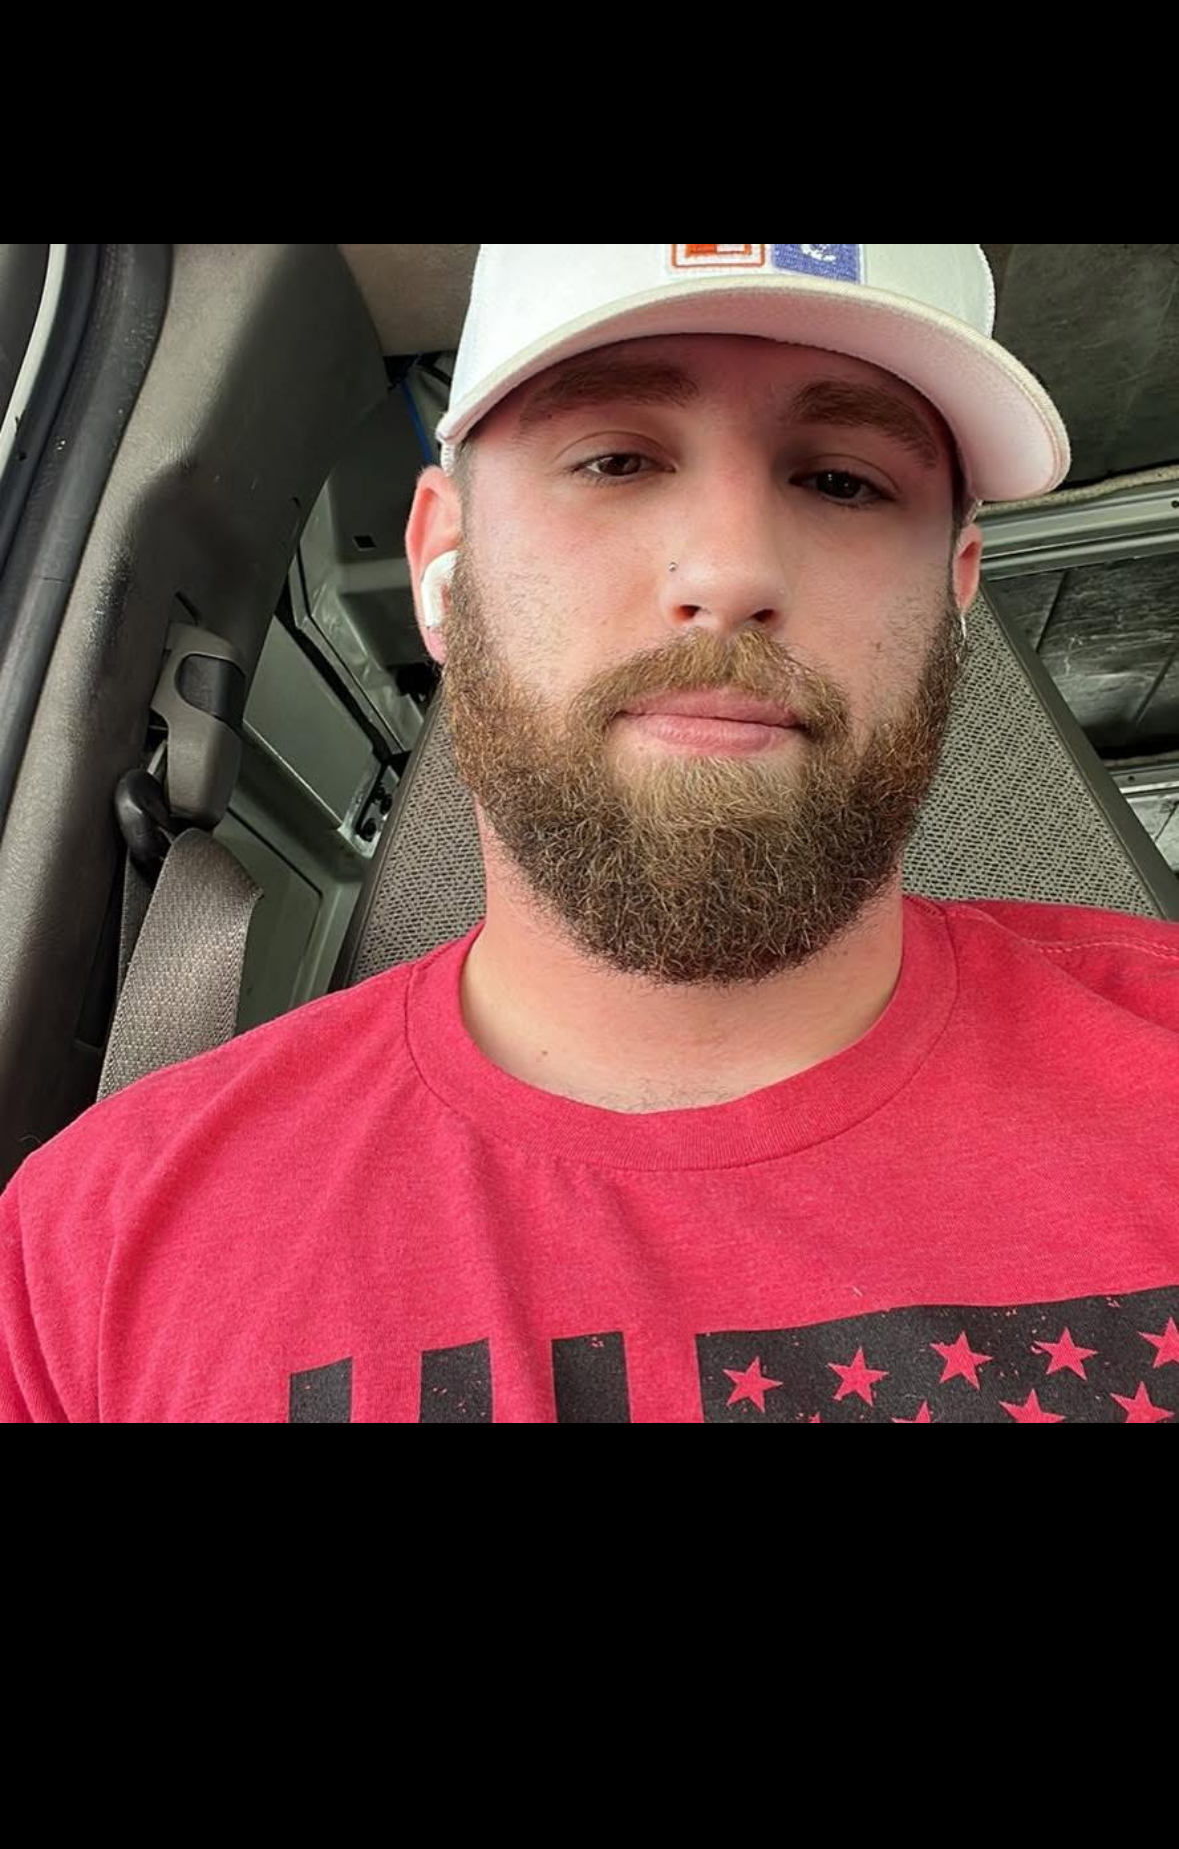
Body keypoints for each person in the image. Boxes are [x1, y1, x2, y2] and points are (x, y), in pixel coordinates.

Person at [3, 242, 1178, 1424]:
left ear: (955, 592)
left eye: (843, 482)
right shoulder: (85, 1253)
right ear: (440, 568)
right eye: (615, 459)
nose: (728, 571)